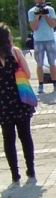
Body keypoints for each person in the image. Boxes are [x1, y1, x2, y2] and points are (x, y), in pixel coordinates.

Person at [0, 23, 35, 183]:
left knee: (8, 139)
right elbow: (27, 74)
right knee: (25, 136)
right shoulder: (15, 52)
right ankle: (31, 169)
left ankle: (15, 173)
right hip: (20, 100)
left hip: (3, 104)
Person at [28, 0, 56, 93]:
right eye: (39, 0)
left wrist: (46, 16)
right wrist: (38, 16)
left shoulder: (50, 10)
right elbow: (34, 27)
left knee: (52, 62)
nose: (41, 2)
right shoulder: (31, 12)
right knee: (39, 64)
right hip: (38, 40)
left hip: (50, 39)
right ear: (35, 0)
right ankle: (41, 84)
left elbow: (53, 25)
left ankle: (55, 83)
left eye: (43, 0)